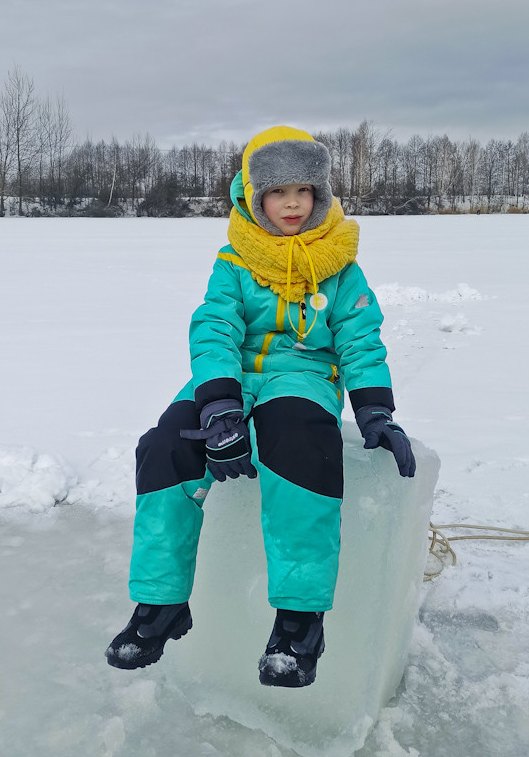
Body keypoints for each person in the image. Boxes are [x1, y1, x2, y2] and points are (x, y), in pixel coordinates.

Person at [105, 125, 415, 688]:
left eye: (304, 190)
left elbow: (360, 338)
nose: (292, 203)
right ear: (253, 196)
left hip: (303, 378)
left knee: (299, 443)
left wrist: (374, 409)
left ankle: (299, 621)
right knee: (165, 445)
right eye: (277, 191)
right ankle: (161, 604)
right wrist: (219, 403)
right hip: (235, 375)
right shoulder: (234, 261)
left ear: (320, 196)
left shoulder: (340, 265)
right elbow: (214, 328)